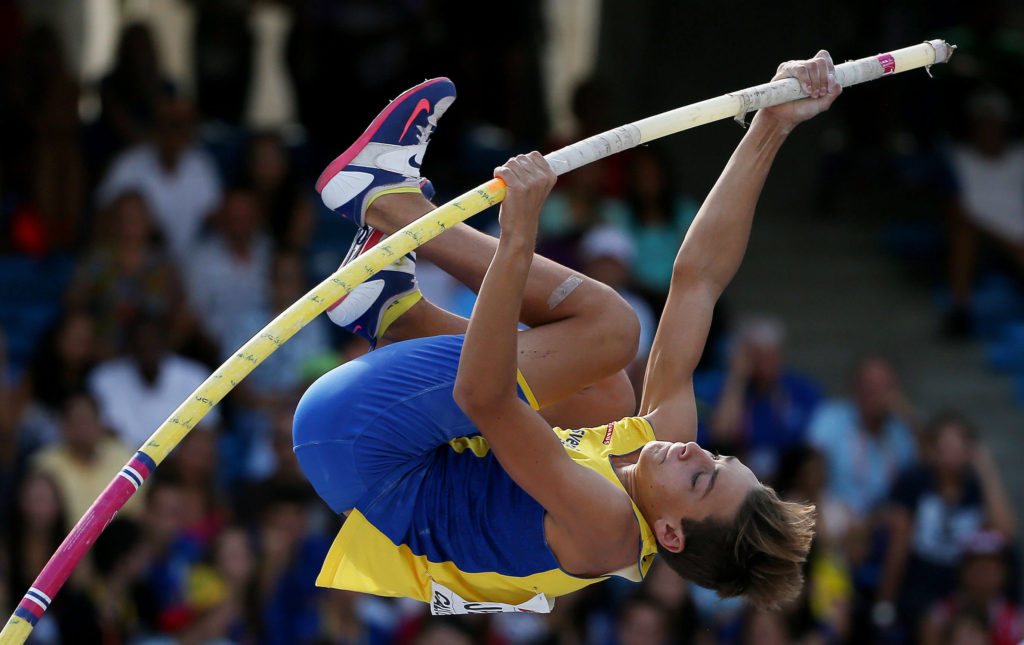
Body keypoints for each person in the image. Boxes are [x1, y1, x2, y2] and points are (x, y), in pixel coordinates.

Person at [293, 53, 842, 613]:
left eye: (701, 479)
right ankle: (392, 313)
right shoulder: (663, 458)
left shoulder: (606, 530)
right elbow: (698, 280)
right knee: (607, 391)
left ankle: (385, 198)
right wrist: (772, 125)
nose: (692, 451)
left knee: (612, 329)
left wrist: (518, 237)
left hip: (359, 442)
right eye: (719, 460)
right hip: (396, 450)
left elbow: (483, 397)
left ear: (671, 534)